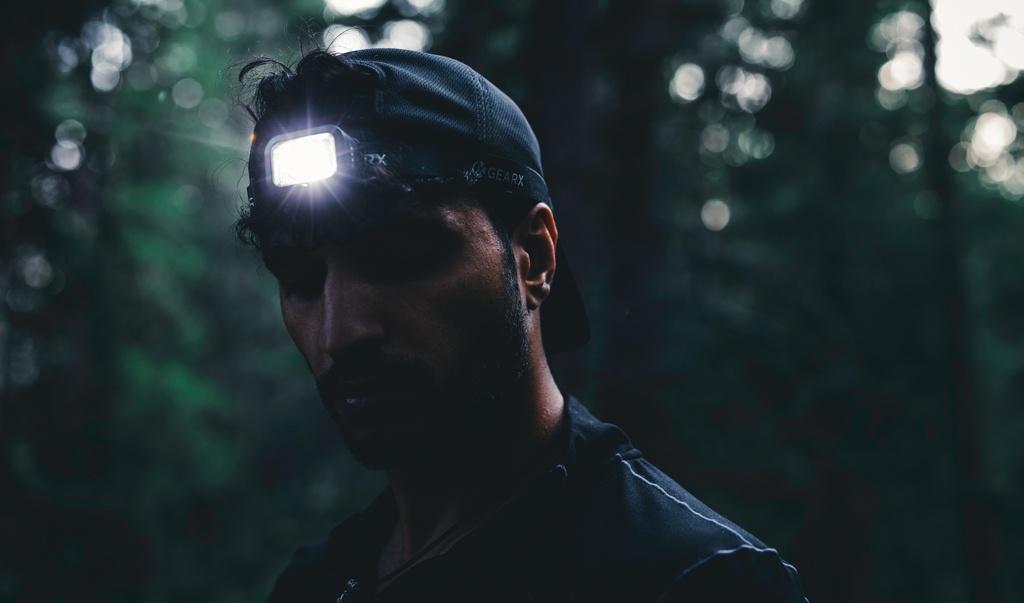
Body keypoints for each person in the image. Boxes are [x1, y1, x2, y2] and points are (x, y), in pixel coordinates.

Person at [236, 47, 807, 602]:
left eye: (401, 258)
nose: (340, 333)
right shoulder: (313, 585)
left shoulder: (694, 580)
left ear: (534, 257)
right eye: (301, 280)